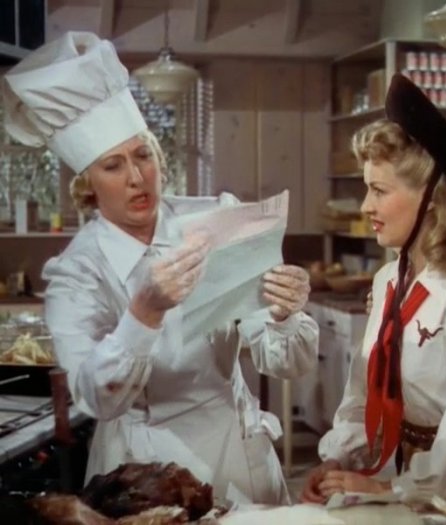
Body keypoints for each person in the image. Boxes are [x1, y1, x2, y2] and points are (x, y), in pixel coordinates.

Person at [2, 31, 319, 505]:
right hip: (142, 472)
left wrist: (284, 312)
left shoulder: (215, 219)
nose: (136, 177)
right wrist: (144, 313)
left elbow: (287, 363)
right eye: (113, 165)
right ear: (88, 186)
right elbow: (98, 398)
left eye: (142, 155)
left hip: (237, 455)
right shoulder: (76, 273)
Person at [301, 74, 446, 514]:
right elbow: (363, 391)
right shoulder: (389, 281)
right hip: (403, 484)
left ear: (432, 200)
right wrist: (337, 459)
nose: (365, 206)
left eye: (379, 191)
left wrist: (395, 488)